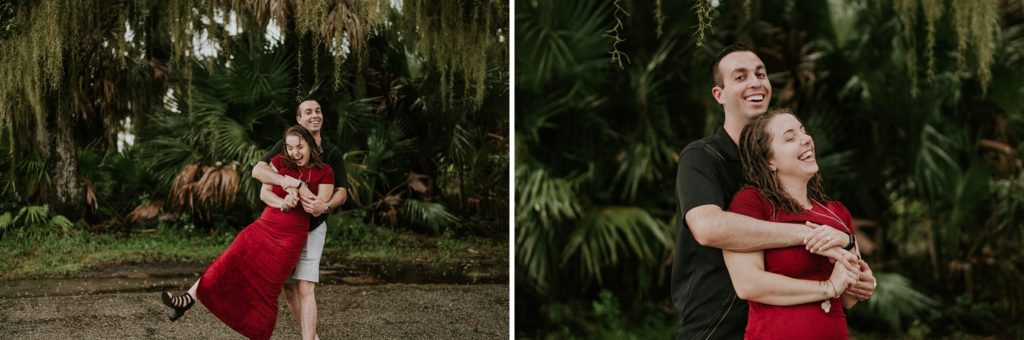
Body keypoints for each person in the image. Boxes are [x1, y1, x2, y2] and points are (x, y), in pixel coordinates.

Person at [672, 44, 876, 339]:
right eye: (740, 77)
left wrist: (854, 267)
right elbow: (707, 227)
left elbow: (832, 270)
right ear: (719, 95)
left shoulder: (791, 170)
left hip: (780, 321)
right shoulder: (703, 157)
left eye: (761, 74)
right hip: (717, 324)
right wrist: (810, 234)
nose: (755, 82)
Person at [160, 125, 335, 340]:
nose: (295, 153)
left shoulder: (324, 171)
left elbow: (319, 206)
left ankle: (259, 332)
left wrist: (298, 187)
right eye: (289, 148)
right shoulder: (279, 163)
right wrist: (283, 202)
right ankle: (188, 298)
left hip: (290, 238)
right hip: (264, 225)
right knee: (227, 261)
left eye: (300, 147)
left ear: (310, 144)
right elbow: (264, 193)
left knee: (267, 290)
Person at [723, 109, 869, 339]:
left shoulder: (837, 212)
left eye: (804, 131)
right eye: (790, 138)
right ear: (769, 161)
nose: (806, 139)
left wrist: (859, 275)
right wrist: (827, 288)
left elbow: (849, 299)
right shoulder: (753, 203)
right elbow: (748, 284)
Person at [250, 99, 350, 340]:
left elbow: (343, 192)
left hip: (313, 227)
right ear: (299, 120)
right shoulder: (287, 146)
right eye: (308, 112)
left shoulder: (332, 154)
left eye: (318, 110)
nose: (315, 115)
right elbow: (259, 171)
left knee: (306, 286)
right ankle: (312, 337)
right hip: (285, 228)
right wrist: (288, 184)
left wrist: (323, 205)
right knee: (287, 285)